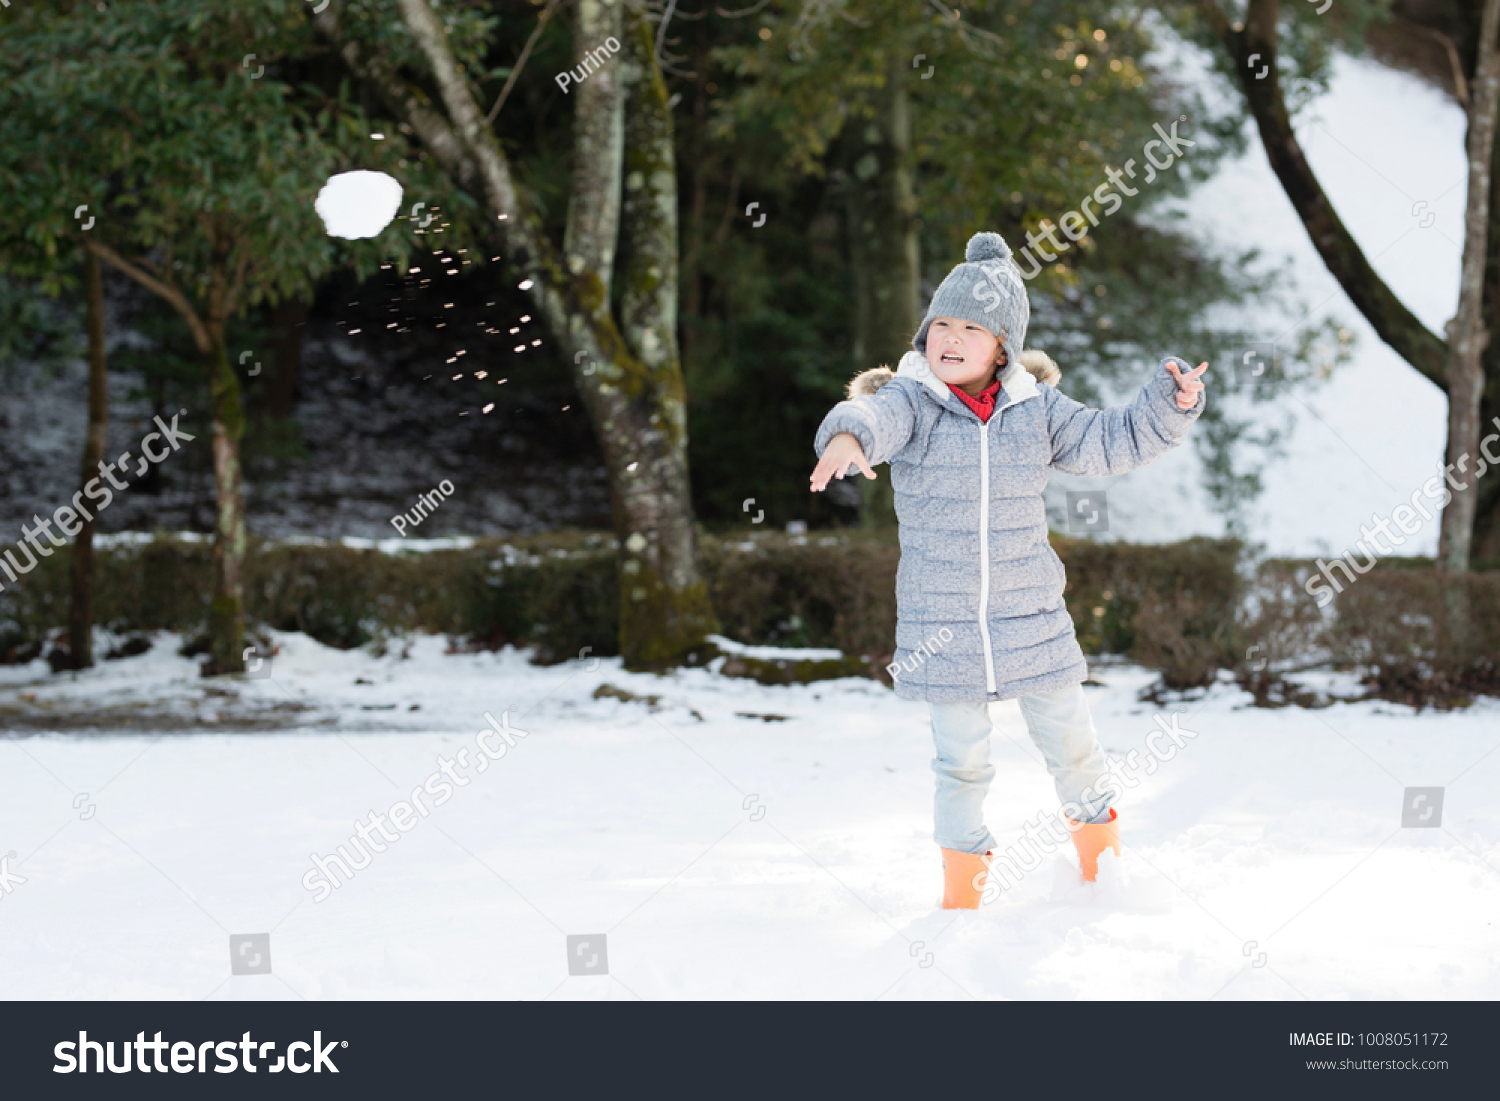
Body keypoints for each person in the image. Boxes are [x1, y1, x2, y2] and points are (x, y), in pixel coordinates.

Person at [809, 231, 1208, 908]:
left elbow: (1109, 441)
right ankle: (962, 898)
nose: (952, 339)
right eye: (942, 325)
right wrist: (847, 434)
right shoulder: (912, 404)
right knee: (960, 765)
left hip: (1034, 619)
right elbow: (870, 412)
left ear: (1003, 347)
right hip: (946, 626)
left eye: (973, 327)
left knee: (1075, 749)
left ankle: (1102, 874)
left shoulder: (1038, 410)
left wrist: (1167, 406)